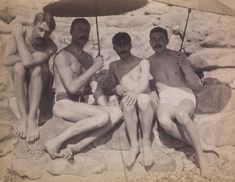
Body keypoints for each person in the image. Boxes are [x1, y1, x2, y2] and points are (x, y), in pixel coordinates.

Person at [45, 18, 122, 160]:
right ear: (71, 32)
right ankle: (55, 142)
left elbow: (95, 88)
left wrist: (105, 106)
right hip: (63, 103)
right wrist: (94, 68)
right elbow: (72, 88)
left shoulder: (87, 58)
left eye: (86, 31)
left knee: (116, 112)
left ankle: (78, 146)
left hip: (80, 104)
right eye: (80, 30)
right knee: (103, 116)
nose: (83, 34)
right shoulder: (62, 56)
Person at [148, 27, 218, 177]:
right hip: (166, 97)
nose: (157, 42)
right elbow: (144, 82)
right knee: (164, 120)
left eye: (161, 38)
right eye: (153, 39)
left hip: (184, 94)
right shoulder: (148, 62)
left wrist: (185, 65)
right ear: (149, 42)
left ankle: (202, 158)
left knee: (181, 114)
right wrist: (151, 91)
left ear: (167, 40)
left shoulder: (178, 56)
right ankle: (196, 143)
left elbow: (196, 84)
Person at [4, 12, 57, 142]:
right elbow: (6, 59)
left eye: (47, 32)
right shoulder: (20, 33)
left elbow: (28, 62)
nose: (43, 35)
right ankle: (23, 117)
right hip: (23, 79)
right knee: (18, 67)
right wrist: (27, 58)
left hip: (42, 80)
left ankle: (32, 118)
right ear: (34, 24)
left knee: (37, 68)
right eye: (40, 29)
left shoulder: (51, 46)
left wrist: (19, 39)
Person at [109, 32, 155, 169]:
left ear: (130, 45)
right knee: (127, 103)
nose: (122, 48)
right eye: (118, 45)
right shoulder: (114, 66)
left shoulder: (142, 62)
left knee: (142, 100)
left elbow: (144, 82)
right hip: (129, 99)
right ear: (114, 47)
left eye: (124, 44)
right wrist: (116, 87)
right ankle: (134, 147)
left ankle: (146, 145)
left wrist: (135, 92)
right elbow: (110, 87)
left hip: (145, 98)